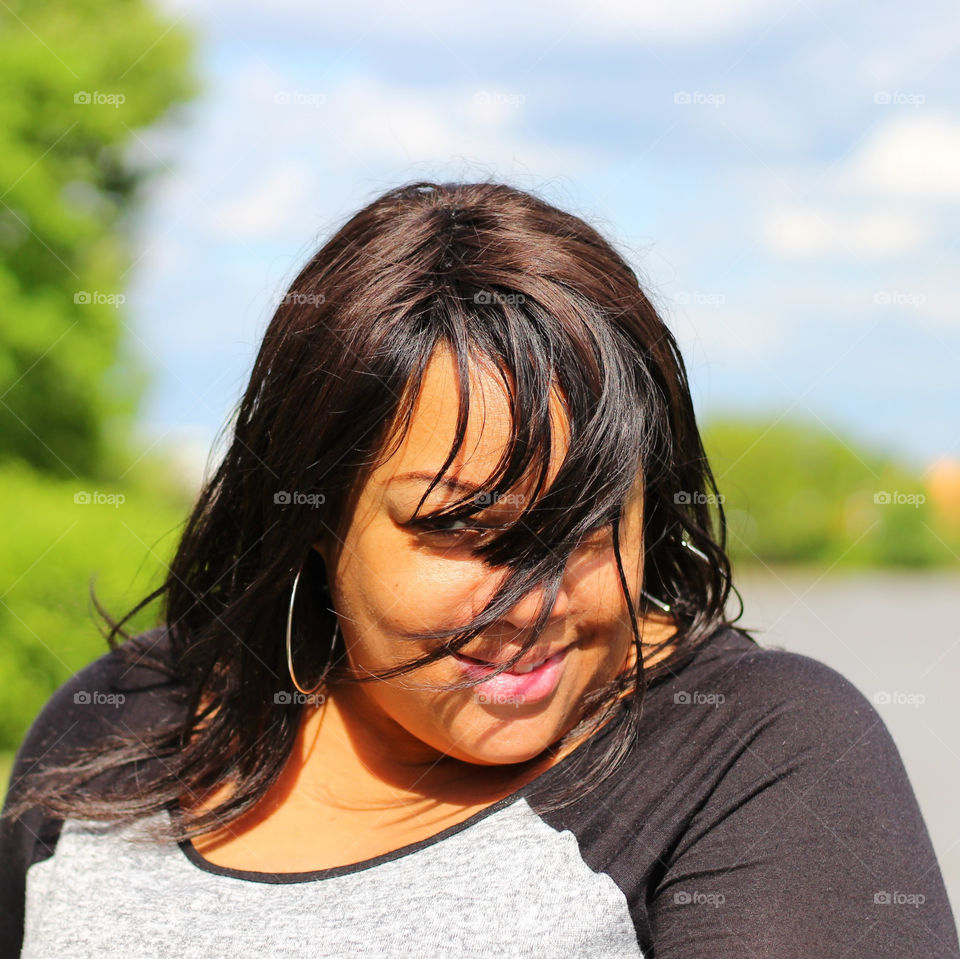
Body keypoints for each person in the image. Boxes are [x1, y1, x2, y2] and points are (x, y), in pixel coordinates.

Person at [1, 180, 957, 958]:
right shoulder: (123, 720)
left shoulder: (758, 752)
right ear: (316, 513)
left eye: (582, 526)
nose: (534, 602)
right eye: (463, 529)